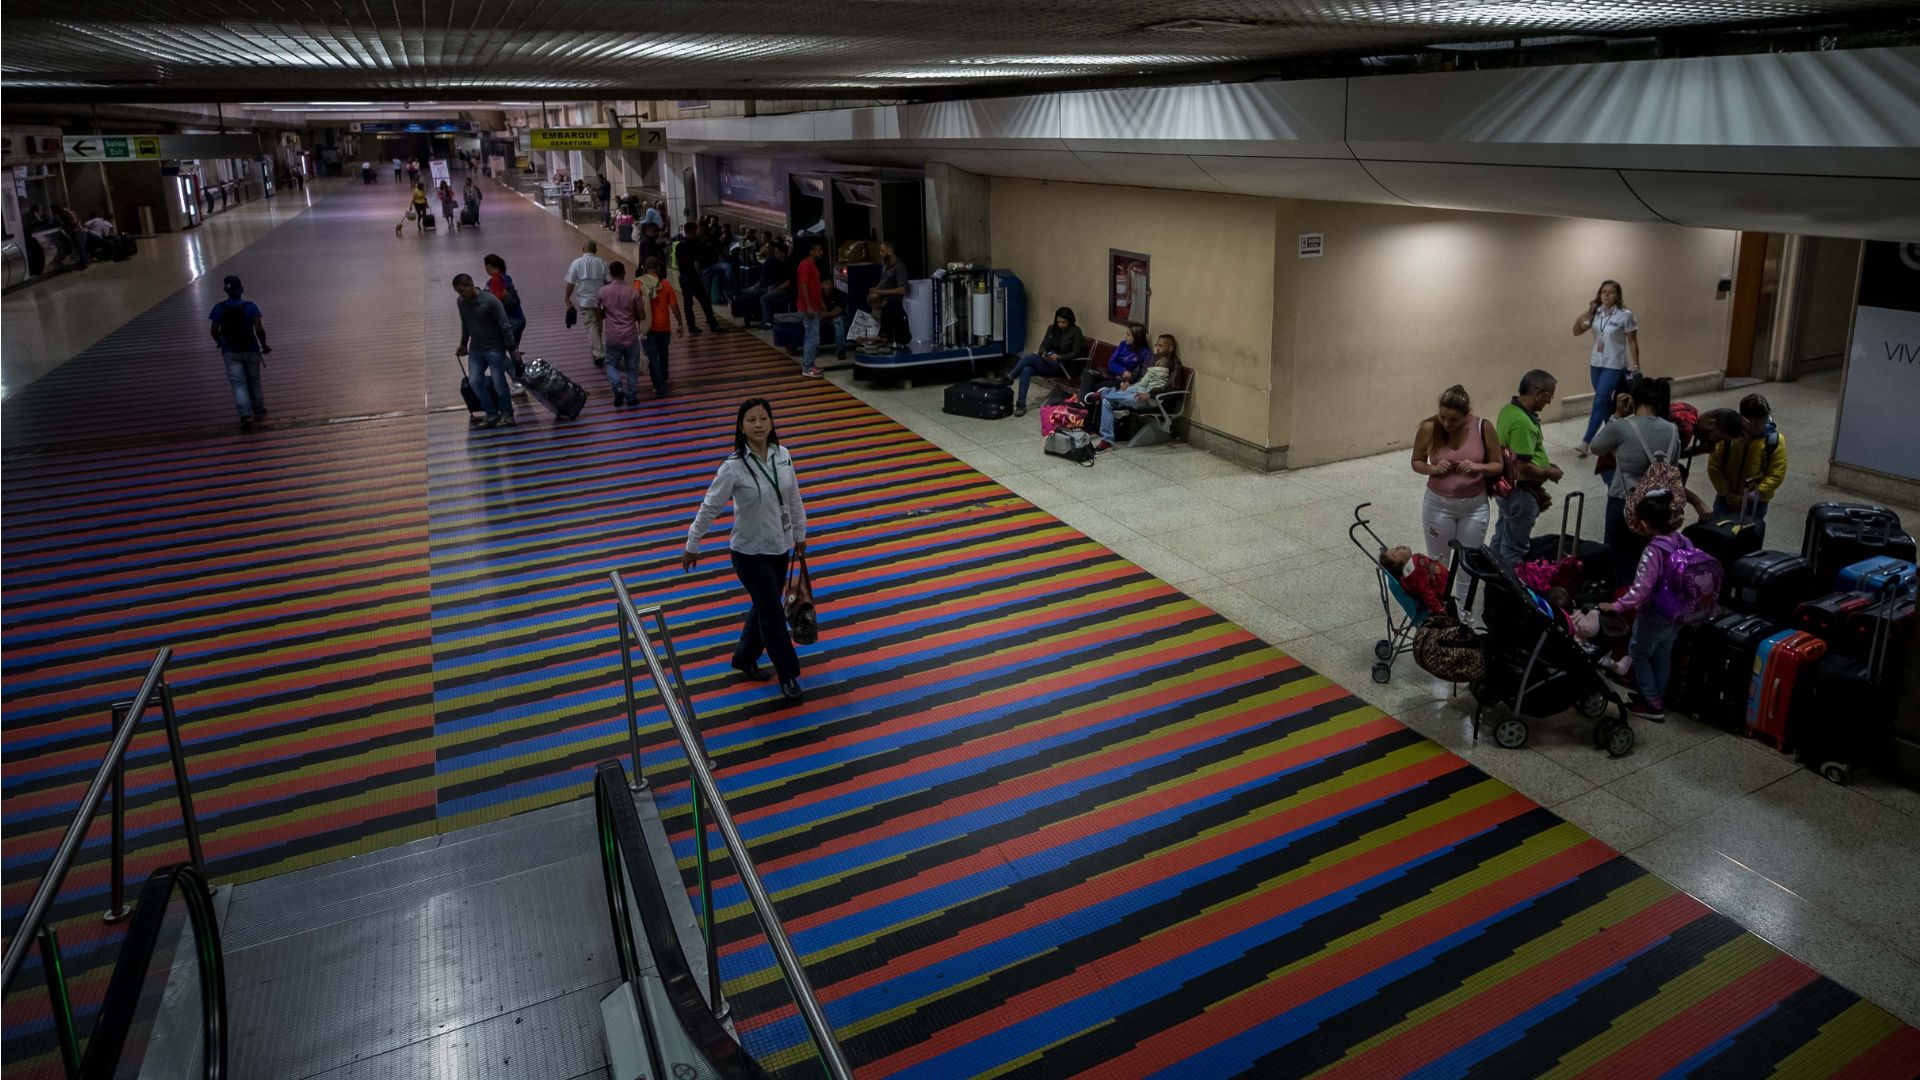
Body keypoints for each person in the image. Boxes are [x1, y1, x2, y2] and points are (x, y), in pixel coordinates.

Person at [682, 398, 810, 702]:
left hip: (780, 547)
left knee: (764, 606)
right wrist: (693, 542)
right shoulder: (733, 467)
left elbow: (793, 498)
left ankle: (744, 657)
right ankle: (789, 673)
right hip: (748, 553)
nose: (758, 424)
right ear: (741, 426)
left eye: (763, 418)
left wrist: (800, 534)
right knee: (772, 613)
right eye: (751, 420)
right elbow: (710, 506)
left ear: (771, 422)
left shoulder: (783, 456)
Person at [1601, 488, 1692, 722]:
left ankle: (1651, 702)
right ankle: (1658, 695)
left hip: (1656, 611)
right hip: (1678, 611)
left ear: (1643, 522)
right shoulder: (1681, 539)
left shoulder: (1653, 551)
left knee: (1639, 652)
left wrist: (1616, 606)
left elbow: (1641, 590)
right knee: (1663, 651)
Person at [1411, 384, 1503, 610]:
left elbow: (1498, 465)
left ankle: (1465, 613)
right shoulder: (1429, 427)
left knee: (1468, 564)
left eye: (1453, 420)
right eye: (1443, 417)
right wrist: (1433, 469)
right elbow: (1417, 462)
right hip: (1438, 505)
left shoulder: (1483, 427)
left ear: (1467, 415)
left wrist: (1477, 467)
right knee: (1439, 561)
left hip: (1474, 506)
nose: (1447, 424)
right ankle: (1440, 612)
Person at [1589, 377, 1683, 586]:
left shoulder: (1621, 427)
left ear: (1633, 399)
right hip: (1657, 506)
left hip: (1624, 501)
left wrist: (1616, 416)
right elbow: (1672, 467)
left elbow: (1596, 447)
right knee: (1647, 558)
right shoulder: (1672, 430)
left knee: (1618, 558)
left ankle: (1622, 601)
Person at [1491, 370, 1564, 566]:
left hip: (1507, 489)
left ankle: (1492, 579)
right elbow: (1522, 468)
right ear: (1538, 392)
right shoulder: (1523, 423)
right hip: (1521, 494)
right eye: (1549, 396)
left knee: (1501, 536)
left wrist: (1545, 463)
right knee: (1515, 548)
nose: (1549, 402)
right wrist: (1550, 472)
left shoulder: (1509, 409)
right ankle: (1509, 589)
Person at [1572, 279, 1641, 457]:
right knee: (1606, 404)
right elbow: (1577, 331)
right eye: (1603, 292)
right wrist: (1588, 312)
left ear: (1617, 295)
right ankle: (1614, 438)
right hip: (1596, 363)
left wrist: (1636, 364)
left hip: (1615, 364)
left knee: (1600, 401)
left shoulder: (1625, 315)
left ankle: (1586, 442)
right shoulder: (1597, 313)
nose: (1606, 295)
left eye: (1611, 292)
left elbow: (1632, 341)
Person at [452, 273, 523, 429]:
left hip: (495, 348)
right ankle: (491, 413)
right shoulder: (461, 302)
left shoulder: (490, 301)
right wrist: (463, 344)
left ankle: (507, 414)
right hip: (476, 349)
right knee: (475, 382)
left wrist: (511, 348)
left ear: (471, 285)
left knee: (499, 383)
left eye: (463, 291)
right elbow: (465, 323)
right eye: (458, 292)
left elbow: (505, 324)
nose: (461, 295)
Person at [1089, 334, 1180, 452]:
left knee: (1114, 397)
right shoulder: (1152, 358)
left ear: (1171, 348)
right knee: (1107, 402)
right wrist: (1129, 381)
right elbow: (1138, 371)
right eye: (1156, 345)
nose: (1157, 348)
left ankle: (1104, 393)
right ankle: (1106, 441)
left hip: (1153, 399)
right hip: (1138, 390)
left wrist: (1151, 394)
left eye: (1161, 345)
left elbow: (1171, 387)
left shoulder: (1175, 366)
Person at [1706, 393, 1788, 521]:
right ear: (1742, 419)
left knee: (1748, 537)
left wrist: (1749, 497)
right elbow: (1714, 467)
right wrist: (1726, 493)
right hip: (1726, 499)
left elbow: (1776, 475)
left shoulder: (1774, 441)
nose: (1761, 427)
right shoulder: (1728, 436)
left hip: (1756, 502)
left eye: (1764, 421)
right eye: (1755, 424)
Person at [209, 275, 272, 430]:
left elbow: (213, 330)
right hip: (250, 349)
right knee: (254, 380)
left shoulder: (219, 308)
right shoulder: (251, 307)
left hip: (230, 352)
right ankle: (258, 407)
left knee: (238, 384)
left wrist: (221, 342)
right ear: (241, 289)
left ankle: (245, 415)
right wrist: (264, 345)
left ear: (225, 290)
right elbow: (259, 329)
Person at [1004, 307, 1087, 417]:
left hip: (1063, 366)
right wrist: (1043, 353)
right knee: (1026, 370)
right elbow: (1043, 345)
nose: (1061, 325)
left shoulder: (1076, 331)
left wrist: (1059, 357)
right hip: (1048, 363)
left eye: (1064, 322)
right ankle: (1021, 404)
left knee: (1030, 357)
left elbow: (1075, 353)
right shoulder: (1052, 329)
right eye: (1058, 322)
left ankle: (1010, 377)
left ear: (1070, 321)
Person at [596, 261, 652, 407]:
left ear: (610, 274)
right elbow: (642, 315)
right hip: (630, 335)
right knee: (632, 366)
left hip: (612, 336)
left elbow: (599, 315)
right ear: (623, 273)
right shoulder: (633, 292)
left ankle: (617, 387)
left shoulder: (602, 292)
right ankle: (632, 397)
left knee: (610, 363)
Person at [563, 239, 611, 367]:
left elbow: (571, 282)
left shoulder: (576, 263)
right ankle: (597, 350)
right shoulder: (602, 262)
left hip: (585, 301)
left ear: (583, 249)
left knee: (591, 326)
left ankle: (598, 353)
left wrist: (567, 298)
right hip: (600, 301)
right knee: (598, 324)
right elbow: (609, 281)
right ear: (595, 250)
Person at [1079, 322, 1151, 396]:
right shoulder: (1123, 344)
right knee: (1087, 374)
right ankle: (1081, 404)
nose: (1125, 337)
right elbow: (1111, 362)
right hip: (1111, 374)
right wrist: (1122, 371)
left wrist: (1129, 377)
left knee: (1096, 387)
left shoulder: (1145, 352)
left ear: (1137, 337)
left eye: (1128, 335)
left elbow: (1142, 373)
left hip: (1123, 381)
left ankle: (1081, 404)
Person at [675, 225, 724, 334]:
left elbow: (678, 263)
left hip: (683, 277)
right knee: (705, 301)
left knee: (688, 304)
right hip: (693, 278)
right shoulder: (694, 245)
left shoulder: (679, 245)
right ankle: (713, 325)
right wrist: (700, 277)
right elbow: (697, 262)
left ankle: (691, 327)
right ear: (692, 231)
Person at [796, 238, 828, 378]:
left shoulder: (812, 265)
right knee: (812, 337)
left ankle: (810, 364)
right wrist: (808, 305)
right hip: (808, 308)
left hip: (814, 306)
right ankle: (807, 367)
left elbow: (813, 286)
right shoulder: (806, 265)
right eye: (818, 250)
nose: (821, 252)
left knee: (813, 337)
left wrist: (820, 302)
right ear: (811, 251)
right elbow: (803, 286)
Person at [870, 242, 911, 350]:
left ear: (889, 251)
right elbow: (882, 282)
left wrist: (881, 293)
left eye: (882, 251)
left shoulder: (899, 267)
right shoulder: (886, 266)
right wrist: (875, 291)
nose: (880, 253)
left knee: (893, 332)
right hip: (882, 304)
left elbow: (902, 290)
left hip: (893, 304)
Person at [483, 253, 527, 350]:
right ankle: (518, 364)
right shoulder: (506, 277)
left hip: (509, 322)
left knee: (500, 350)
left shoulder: (494, 280)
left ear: (489, 266)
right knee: (514, 349)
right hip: (519, 319)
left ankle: (512, 364)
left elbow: (496, 301)